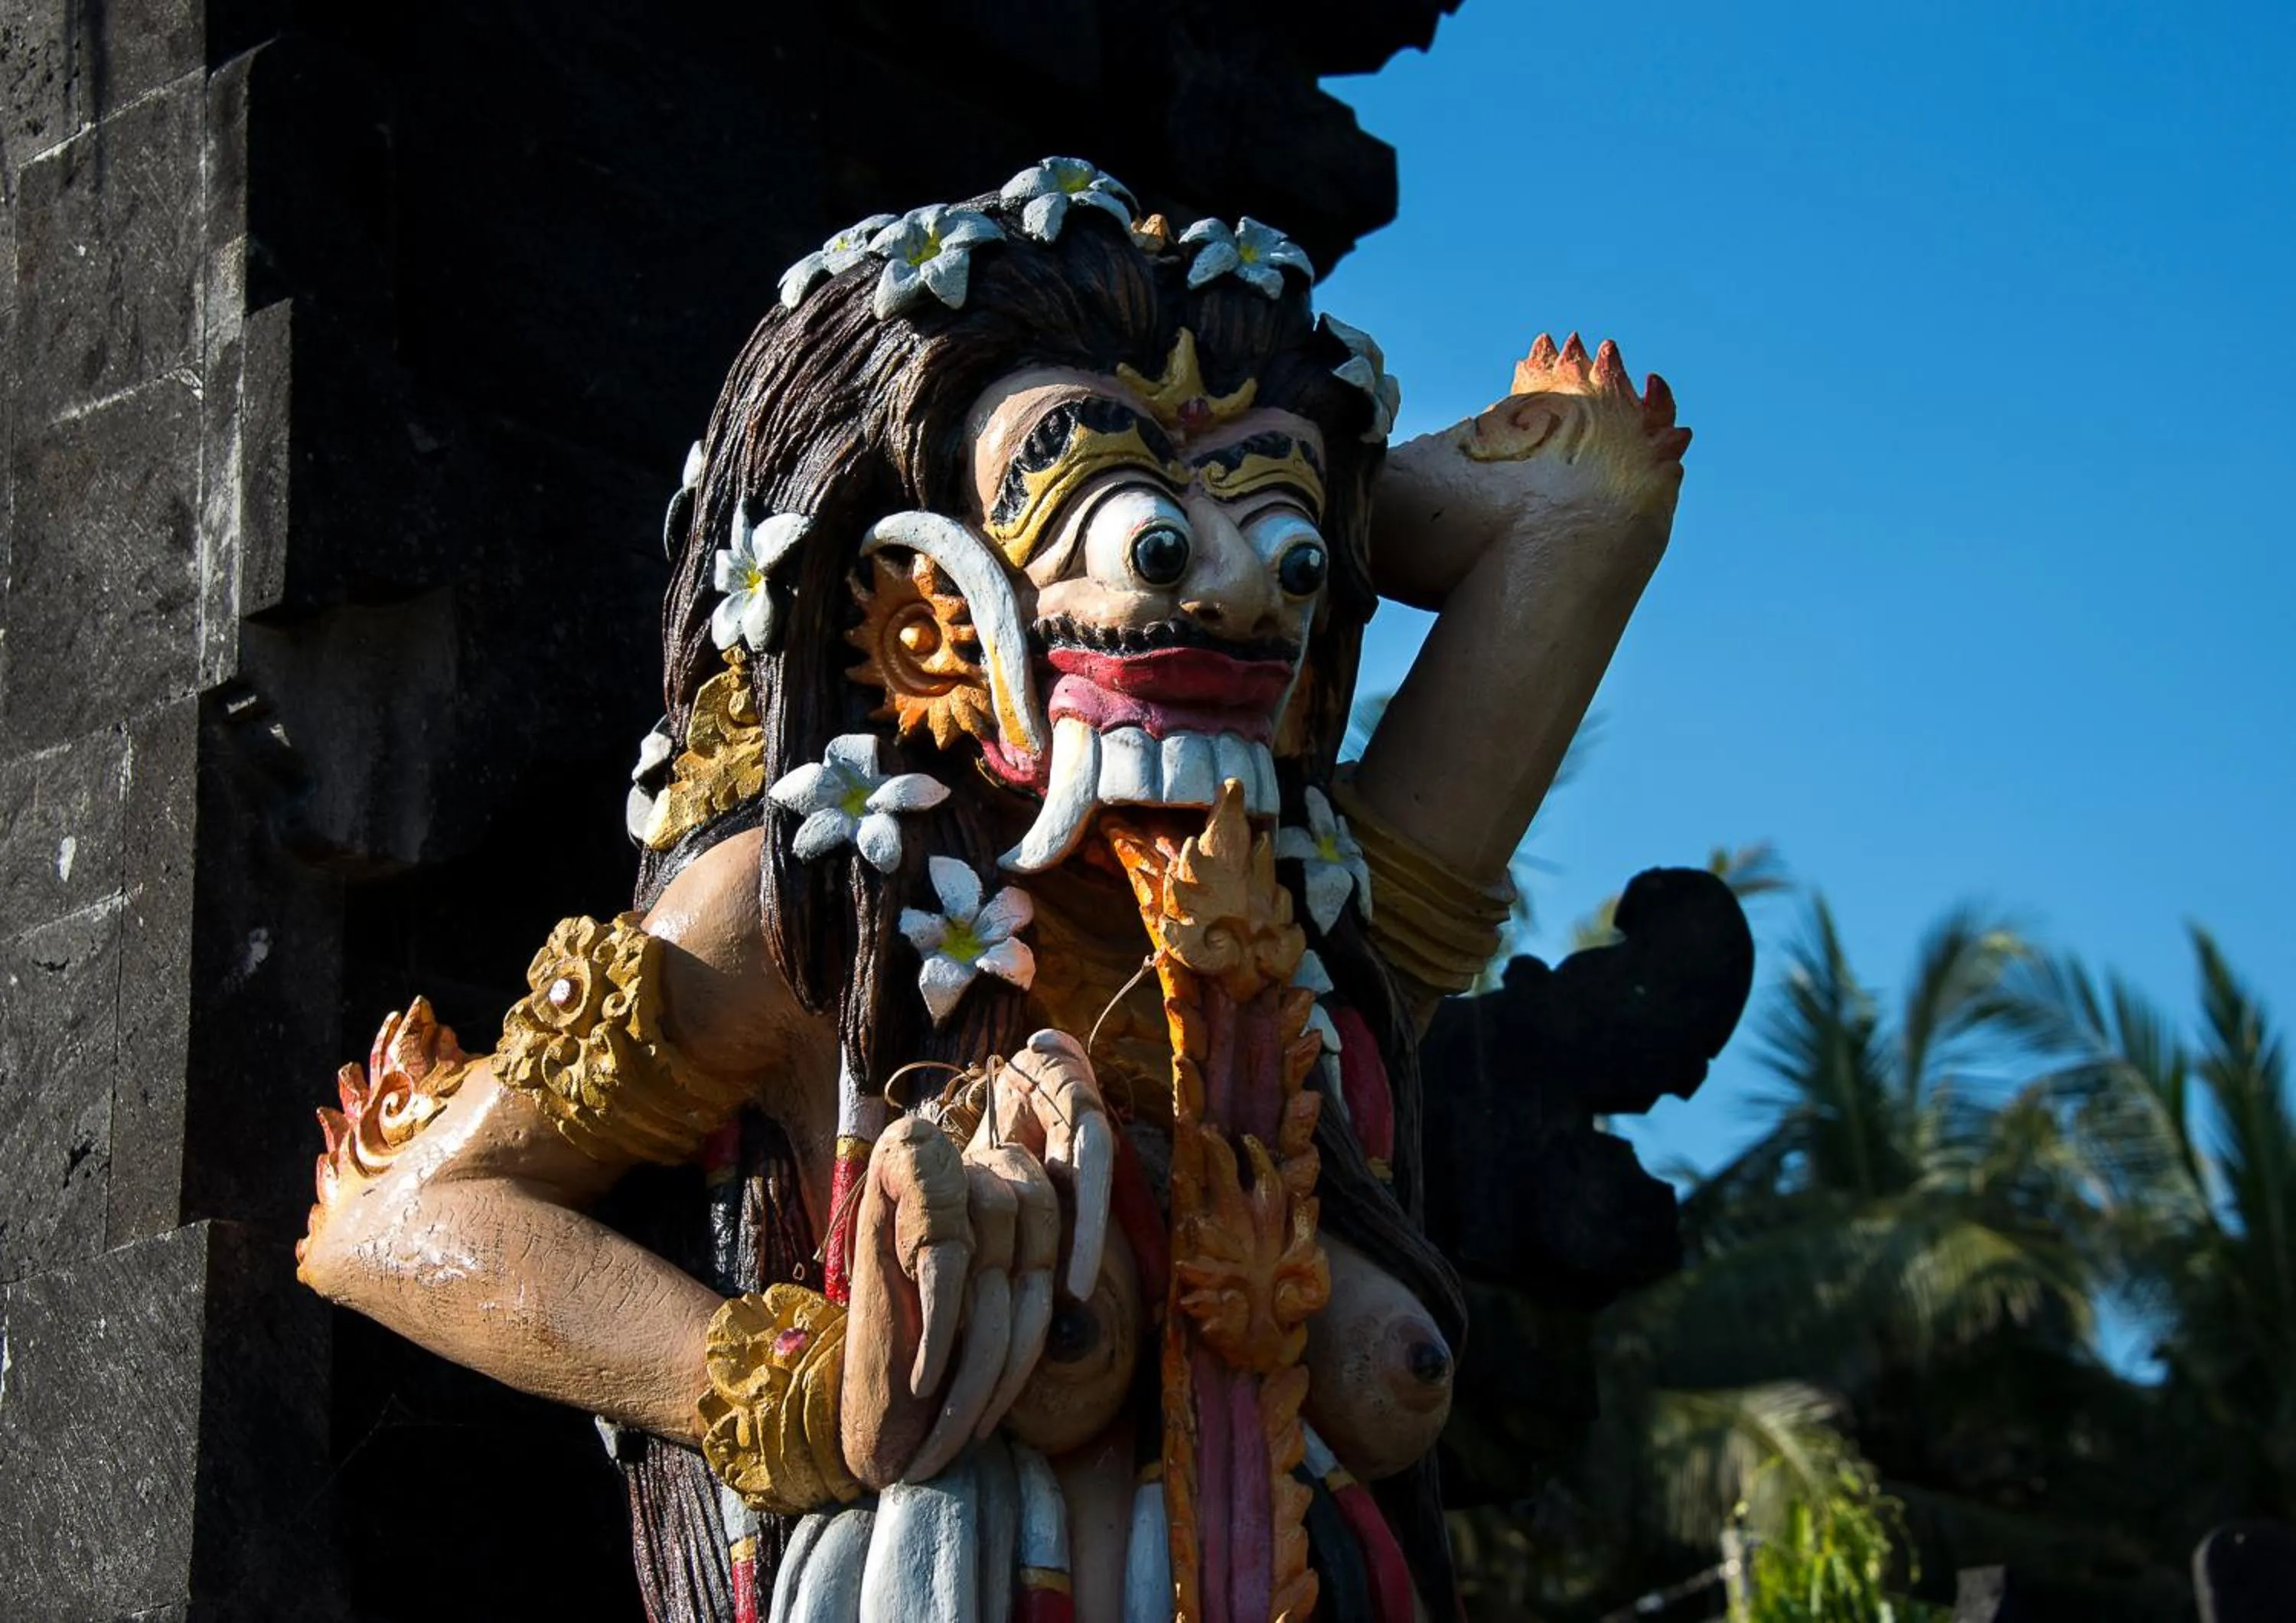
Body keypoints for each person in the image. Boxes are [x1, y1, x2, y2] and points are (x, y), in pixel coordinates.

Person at [296, 158, 1689, 1621]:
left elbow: (1587, 503)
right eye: (1143, 534)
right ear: (915, 577)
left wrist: (1279, 452)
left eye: (1288, 554)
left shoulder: (1301, 914)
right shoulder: (812, 910)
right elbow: (399, 1226)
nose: (1233, 596)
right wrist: (808, 1397)